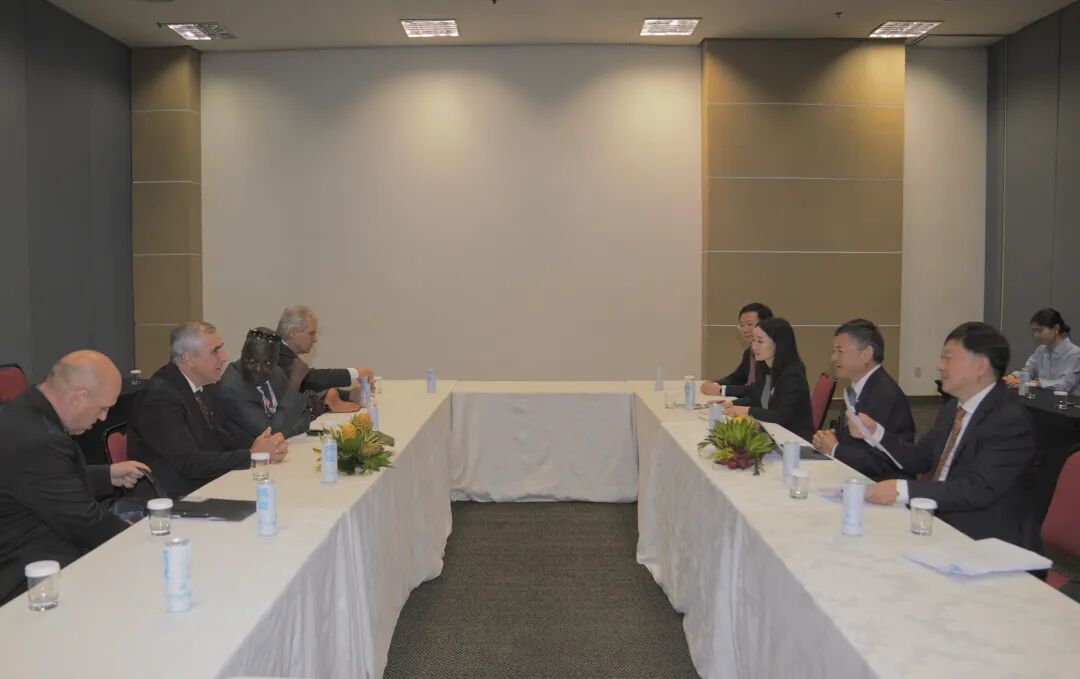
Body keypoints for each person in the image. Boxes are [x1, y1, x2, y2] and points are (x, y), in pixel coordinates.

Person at [851, 322, 1038, 549]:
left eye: (948, 358)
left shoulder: (1008, 419)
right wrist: (877, 434)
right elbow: (922, 457)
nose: (939, 366)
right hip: (939, 521)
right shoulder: (953, 408)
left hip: (986, 539)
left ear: (980, 365)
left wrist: (903, 490)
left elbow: (979, 489)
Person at [0, 351, 149, 605]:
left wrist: (108, 475)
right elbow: (84, 520)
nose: (103, 418)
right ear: (78, 397)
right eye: (103, 408)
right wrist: (134, 536)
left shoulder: (25, 409)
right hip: (29, 578)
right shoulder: (39, 439)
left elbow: (42, 480)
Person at [128, 321, 288, 499]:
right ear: (189, 359)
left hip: (204, 485)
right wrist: (251, 455)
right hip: (172, 497)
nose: (224, 357)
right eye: (215, 351)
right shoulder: (160, 398)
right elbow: (190, 463)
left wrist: (262, 446)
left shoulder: (206, 387)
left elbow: (224, 437)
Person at [811, 319, 916, 481]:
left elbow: (881, 461)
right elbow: (852, 440)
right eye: (833, 351)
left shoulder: (884, 395)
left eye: (840, 351)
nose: (833, 358)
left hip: (883, 484)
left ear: (866, 354)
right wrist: (828, 437)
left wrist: (835, 449)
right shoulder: (859, 387)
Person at [218, 328, 313, 447]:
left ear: (276, 361)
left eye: (267, 363)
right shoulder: (232, 386)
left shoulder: (277, 373)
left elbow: (304, 417)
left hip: (278, 449)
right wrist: (294, 384)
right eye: (252, 360)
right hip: (247, 455)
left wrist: (281, 428)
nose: (258, 369)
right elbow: (271, 433)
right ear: (242, 354)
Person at [722, 317, 813, 441]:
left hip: (793, 441)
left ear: (778, 344)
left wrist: (746, 410)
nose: (754, 347)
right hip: (771, 434)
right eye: (753, 340)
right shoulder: (765, 367)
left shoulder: (792, 375)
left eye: (760, 341)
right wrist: (732, 404)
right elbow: (755, 398)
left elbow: (781, 416)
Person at [275, 304, 374, 413]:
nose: (315, 339)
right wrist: (355, 373)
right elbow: (312, 379)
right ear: (292, 332)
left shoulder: (282, 350)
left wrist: (349, 395)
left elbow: (306, 386)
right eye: (311, 333)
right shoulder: (276, 354)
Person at [1003, 308, 1080, 396]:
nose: (1036, 335)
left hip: (1069, 402)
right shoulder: (1041, 350)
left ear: (1056, 328)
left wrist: (1037, 383)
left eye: (1040, 331)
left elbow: (1065, 385)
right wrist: (1013, 377)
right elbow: (1028, 371)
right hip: (1043, 400)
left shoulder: (1075, 353)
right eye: (1034, 331)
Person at [702, 302, 773, 398]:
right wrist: (715, 383)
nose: (745, 330)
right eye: (741, 325)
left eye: (749, 324)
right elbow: (737, 378)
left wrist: (722, 390)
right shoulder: (749, 352)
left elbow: (759, 390)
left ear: (766, 325)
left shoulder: (771, 354)